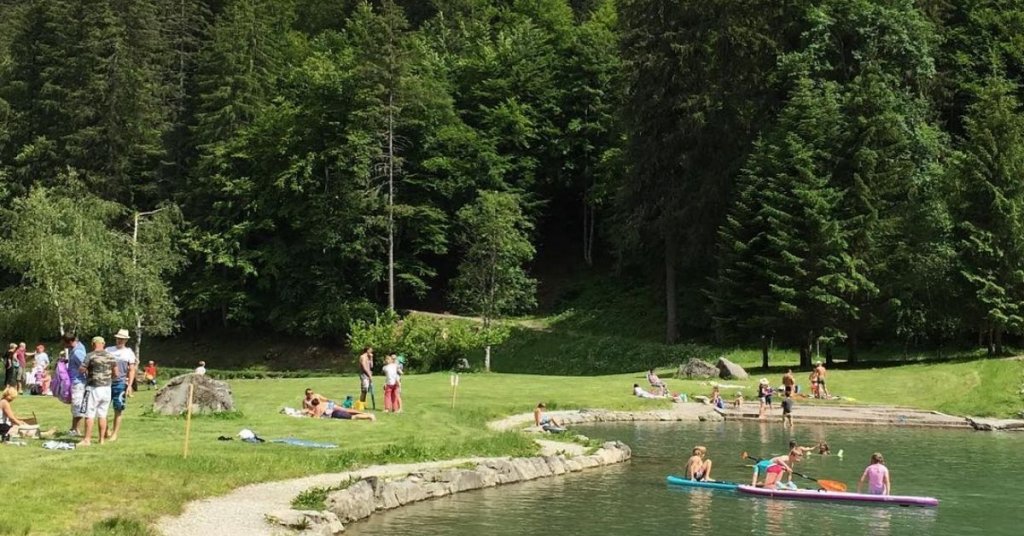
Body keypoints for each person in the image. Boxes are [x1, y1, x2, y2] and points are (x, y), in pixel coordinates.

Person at [79, 336, 117, 447]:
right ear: (103, 344)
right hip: (107, 388)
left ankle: (87, 440)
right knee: (102, 414)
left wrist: (85, 370)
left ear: (92, 344)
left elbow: (81, 369)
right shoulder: (111, 356)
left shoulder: (90, 355)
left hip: (93, 387)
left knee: (89, 414)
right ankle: (101, 440)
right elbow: (116, 373)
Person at [105, 329, 137, 442]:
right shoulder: (108, 350)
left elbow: (132, 370)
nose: (120, 340)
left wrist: (129, 385)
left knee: (118, 409)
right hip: (106, 383)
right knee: (103, 408)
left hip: (120, 383)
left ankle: (114, 433)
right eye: (118, 338)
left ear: (126, 340)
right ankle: (105, 430)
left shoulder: (128, 352)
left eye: (122, 339)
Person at [64, 334, 88, 435]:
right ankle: (73, 428)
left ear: (69, 342)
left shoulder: (77, 352)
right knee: (75, 405)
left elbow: (85, 365)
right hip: (77, 381)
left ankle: (76, 429)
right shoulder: (77, 348)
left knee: (77, 405)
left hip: (79, 382)